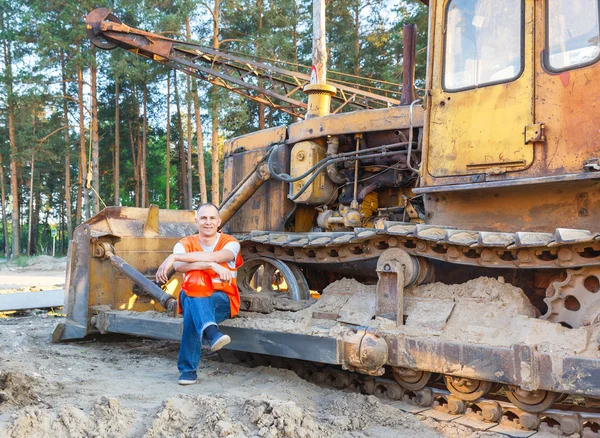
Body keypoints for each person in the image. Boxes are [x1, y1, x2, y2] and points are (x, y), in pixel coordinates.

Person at [156, 203, 243, 385]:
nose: (208, 222)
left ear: (219, 222)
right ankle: (212, 333)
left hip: (222, 300)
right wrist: (209, 266)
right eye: (203, 218)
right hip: (193, 293)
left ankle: (188, 370)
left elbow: (218, 257)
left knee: (191, 309)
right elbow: (181, 267)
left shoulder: (230, 243)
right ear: (196, 221)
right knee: (195, 285)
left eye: (212, 218)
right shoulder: (185, 243)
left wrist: (174, 257)